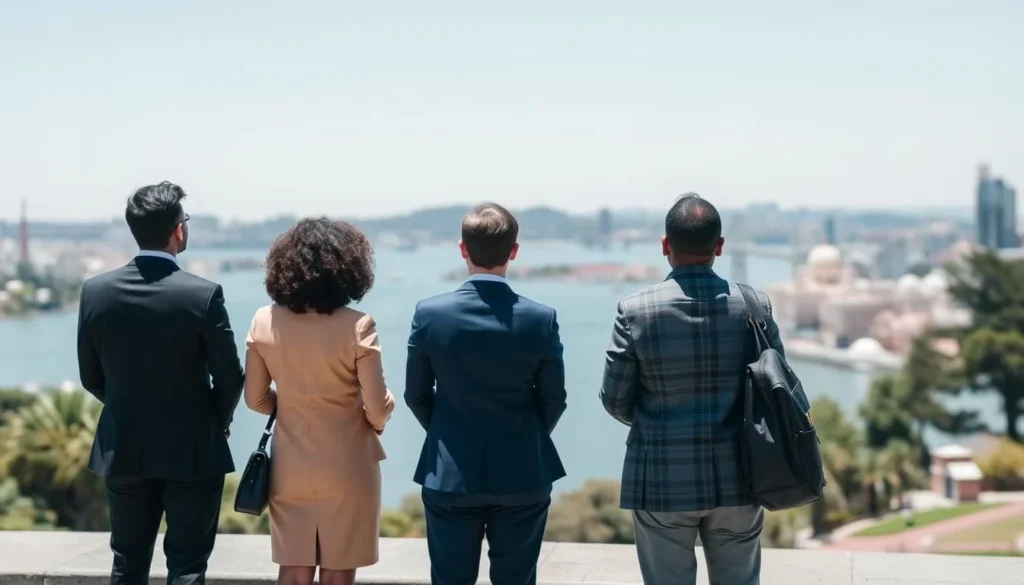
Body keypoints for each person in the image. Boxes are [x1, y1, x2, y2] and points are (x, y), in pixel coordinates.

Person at [599, 193, 784, 585]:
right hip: (744, 476)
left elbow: (615, 400)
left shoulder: (634, 311)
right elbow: (776, 391)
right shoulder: (755, 306)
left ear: (666, 246)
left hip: (661, 477)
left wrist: (654, 422)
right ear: (719, 247)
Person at [76, 182, 245, 585]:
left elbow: (90, 376)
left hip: (124, 445)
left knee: (127, 563)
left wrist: (126, 404)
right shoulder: (202, 295)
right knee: (187, 567)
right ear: (178, 230)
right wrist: (214, 420)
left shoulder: (95, 292)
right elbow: (229, 376)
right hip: (192, 449)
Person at [405, 203, 567, 585]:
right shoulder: (540, 319)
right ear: (514, 251)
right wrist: (525, 435)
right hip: (523, 471)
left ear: (462, 249)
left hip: (449, 475)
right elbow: (554, 400)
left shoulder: (429, 314)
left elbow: (416, 394)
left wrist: (446, 429)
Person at [244, 217, 395, 585]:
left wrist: (291, 403)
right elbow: (377, 406)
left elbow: (255, 399)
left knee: (293, 572)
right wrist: (379, 417)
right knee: (338, 572)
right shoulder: (359, 325)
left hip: (289, 467)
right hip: (348, 465)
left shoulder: (264, 321)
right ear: (348, 269)